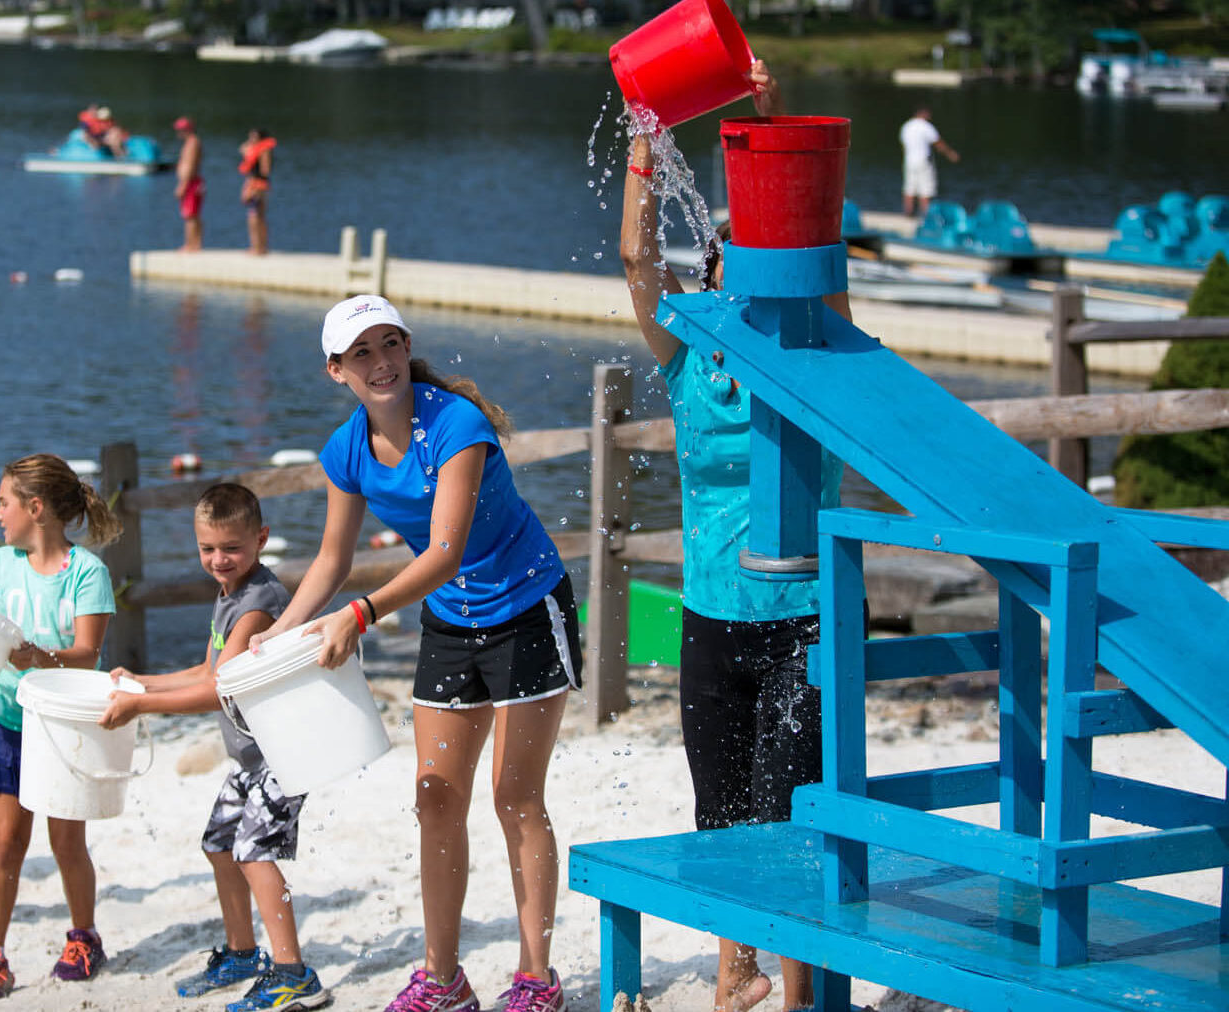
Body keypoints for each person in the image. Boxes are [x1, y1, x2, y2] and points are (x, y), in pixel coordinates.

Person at [261, 295, 580, 1012]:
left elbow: (443, 553)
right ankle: (443, 981)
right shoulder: (346, 449)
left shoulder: (456, 424)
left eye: (389, 344)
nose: (380, 363)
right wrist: (281, 630)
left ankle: (537, 979)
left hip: (527, 608)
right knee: (435, 797)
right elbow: (332, 559)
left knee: (515, 797)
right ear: (336, 370)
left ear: (407, 348)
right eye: (361, 353)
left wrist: (360, 615)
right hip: (450, 620)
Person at [619, 61, 849, 1012]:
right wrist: (645, 136)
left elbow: (812, 241)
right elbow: (636, 261)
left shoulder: (815, 343)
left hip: (805, 614)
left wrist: (773, 122)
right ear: (711, 277)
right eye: (727, 259)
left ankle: (798, 992)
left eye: (761, 256)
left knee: (789, 808)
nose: (741, 272)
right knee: (720, 811)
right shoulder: (688, 356)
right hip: (711, 615)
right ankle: (733, 977)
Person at [99, 483, 329, 1012]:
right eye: (207, 548)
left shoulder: (259, 601)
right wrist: (142, 681)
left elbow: (219, 691)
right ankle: (243, 954)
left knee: (254, 852)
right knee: (219, 845)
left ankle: (293, 973)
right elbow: (207, 670)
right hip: (249, 759)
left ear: (261, 539)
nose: (219, 560)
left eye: (232, 548)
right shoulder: (228, 594)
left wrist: (140, 707)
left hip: (283, 756)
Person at [0, 454, 121, 1004]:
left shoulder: (87, 572)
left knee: (65, 841)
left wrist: (37, 656)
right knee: (6, 842)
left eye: (3, 503)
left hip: (64, 726)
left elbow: (88, 653)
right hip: (9, 720)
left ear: (35, 509)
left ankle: (84, 937)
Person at [899, 106, 959, 218]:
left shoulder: (906, 126)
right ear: (924, 114)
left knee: (909, 189)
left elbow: (903, 144)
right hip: (923, 161)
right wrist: (950, 154)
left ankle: (908, 215)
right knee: (925, 190)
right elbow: (938, 143)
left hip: (909, 161)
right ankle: (926, 217)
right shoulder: (926, 126)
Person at [238, 129, 275, 256]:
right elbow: (242, 148)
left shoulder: (264, 151)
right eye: (250, 137)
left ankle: (259, 247)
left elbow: (265, 171)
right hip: (254, 184)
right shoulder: (254, 149)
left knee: (255, 217)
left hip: (258, 186)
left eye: (254, 137)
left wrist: (253, 188)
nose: (251, 140)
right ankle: (257, 246)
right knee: (256, 216)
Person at [174, 116, 205, 253]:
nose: (178, 132)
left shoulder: (193, 143)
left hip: (191, 183)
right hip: (190, 182)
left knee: (190, 215)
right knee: (191, 214)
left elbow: (191, 165)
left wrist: (183, 185)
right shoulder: (190, 142)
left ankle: (191, 245)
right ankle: (194, 244)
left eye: (180, 130)